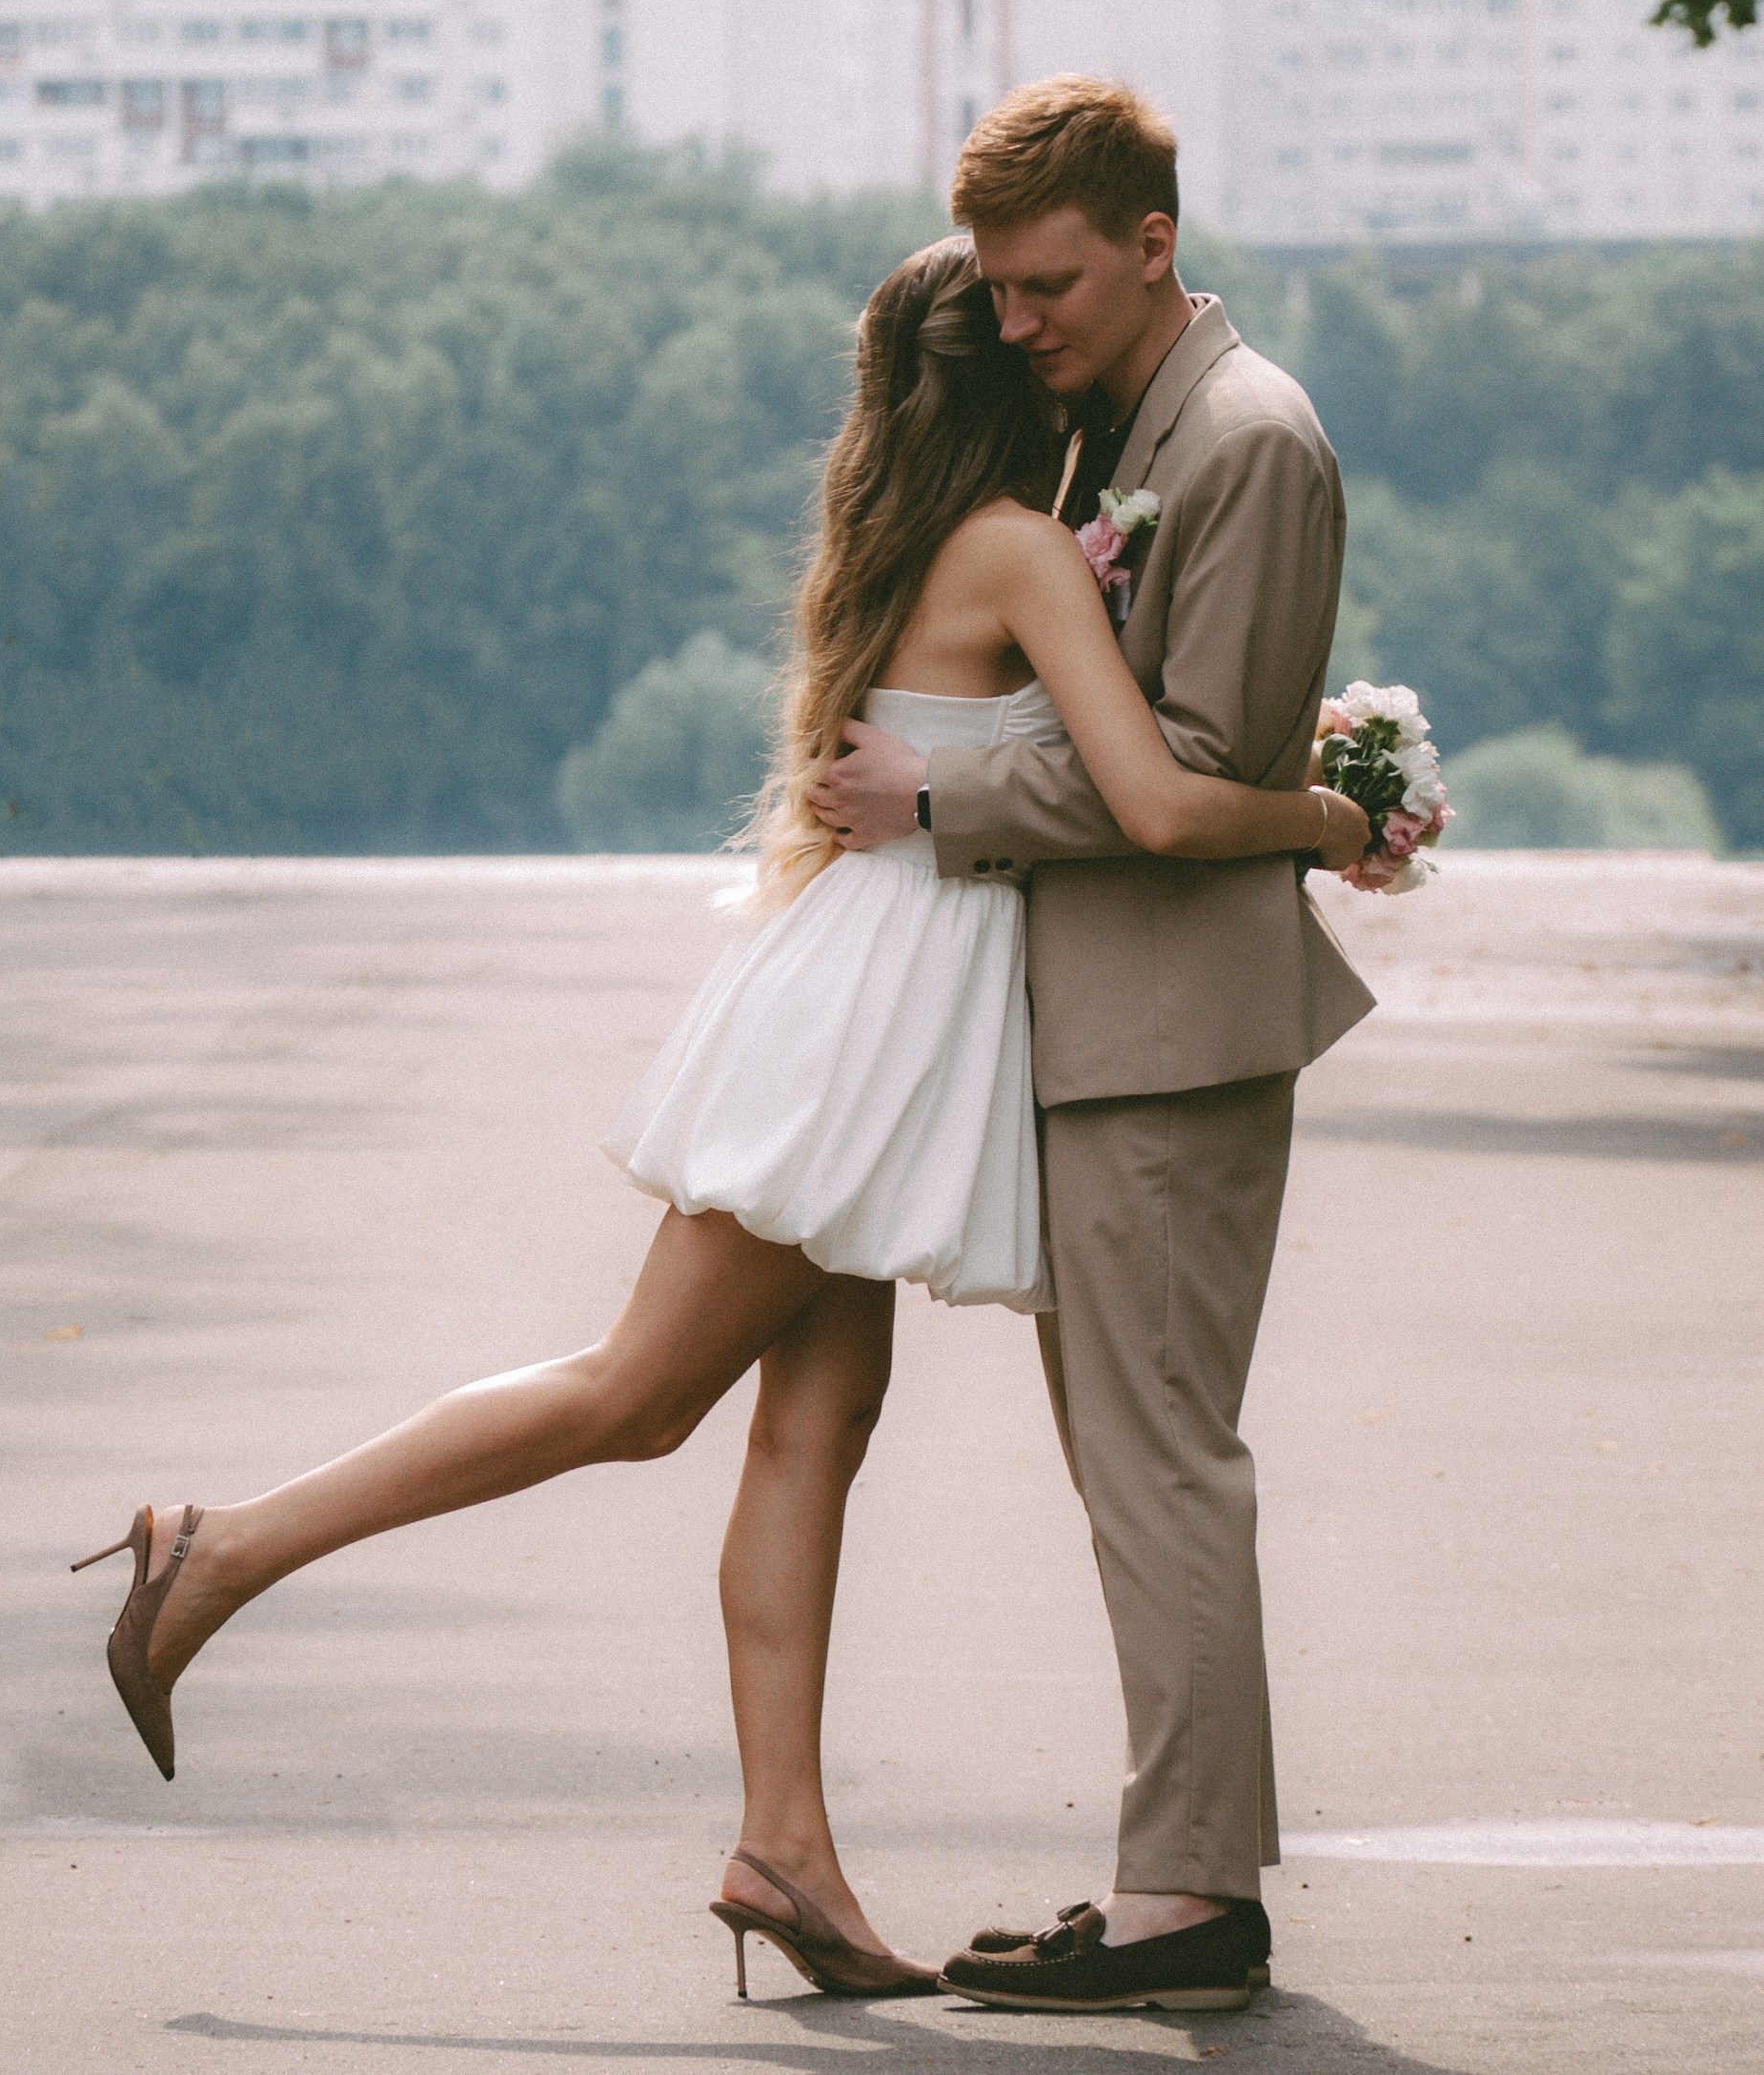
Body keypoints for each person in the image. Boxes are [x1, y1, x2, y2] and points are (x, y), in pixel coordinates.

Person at [71, 224, 1370, 2012]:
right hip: (876, 1030)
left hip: (863, 1000)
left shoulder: (905, 538)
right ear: (997, 384)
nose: (1040, 335)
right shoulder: (1012, 547)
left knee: (812, 1424)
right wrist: (1324, 809)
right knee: (635, 1391)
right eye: (1014, 323)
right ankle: (220, 1550)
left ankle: (786, 1849)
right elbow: (1145, 788)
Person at [809, 77, 1377, 2013]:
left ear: (1150, 241)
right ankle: (1170, 1876)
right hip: (1104, 1026)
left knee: (1158, 1469)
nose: (1019, 317)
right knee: (1133, 1466)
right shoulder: (1119, 424)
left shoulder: (1243, 439)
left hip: (1166, 1037)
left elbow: (1202, 775)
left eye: (1048, 281)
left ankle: (1184, 1904)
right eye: (998, 283)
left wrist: (944, 798)